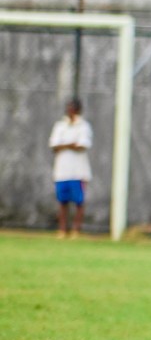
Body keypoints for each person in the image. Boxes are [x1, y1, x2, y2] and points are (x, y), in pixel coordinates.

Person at [48, 98, 92, 239]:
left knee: (79, 202)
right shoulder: (60, 125)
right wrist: (70, 144)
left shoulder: (84, 126)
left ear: (78, 109)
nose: (70, 110)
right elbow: (54, 145)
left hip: (78, 172)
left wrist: (64, 145)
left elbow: (82, 145)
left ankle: (76, 230)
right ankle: (62, 230)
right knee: (62, 202)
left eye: (72, 107)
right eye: (68, 107)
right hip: (62, 171)